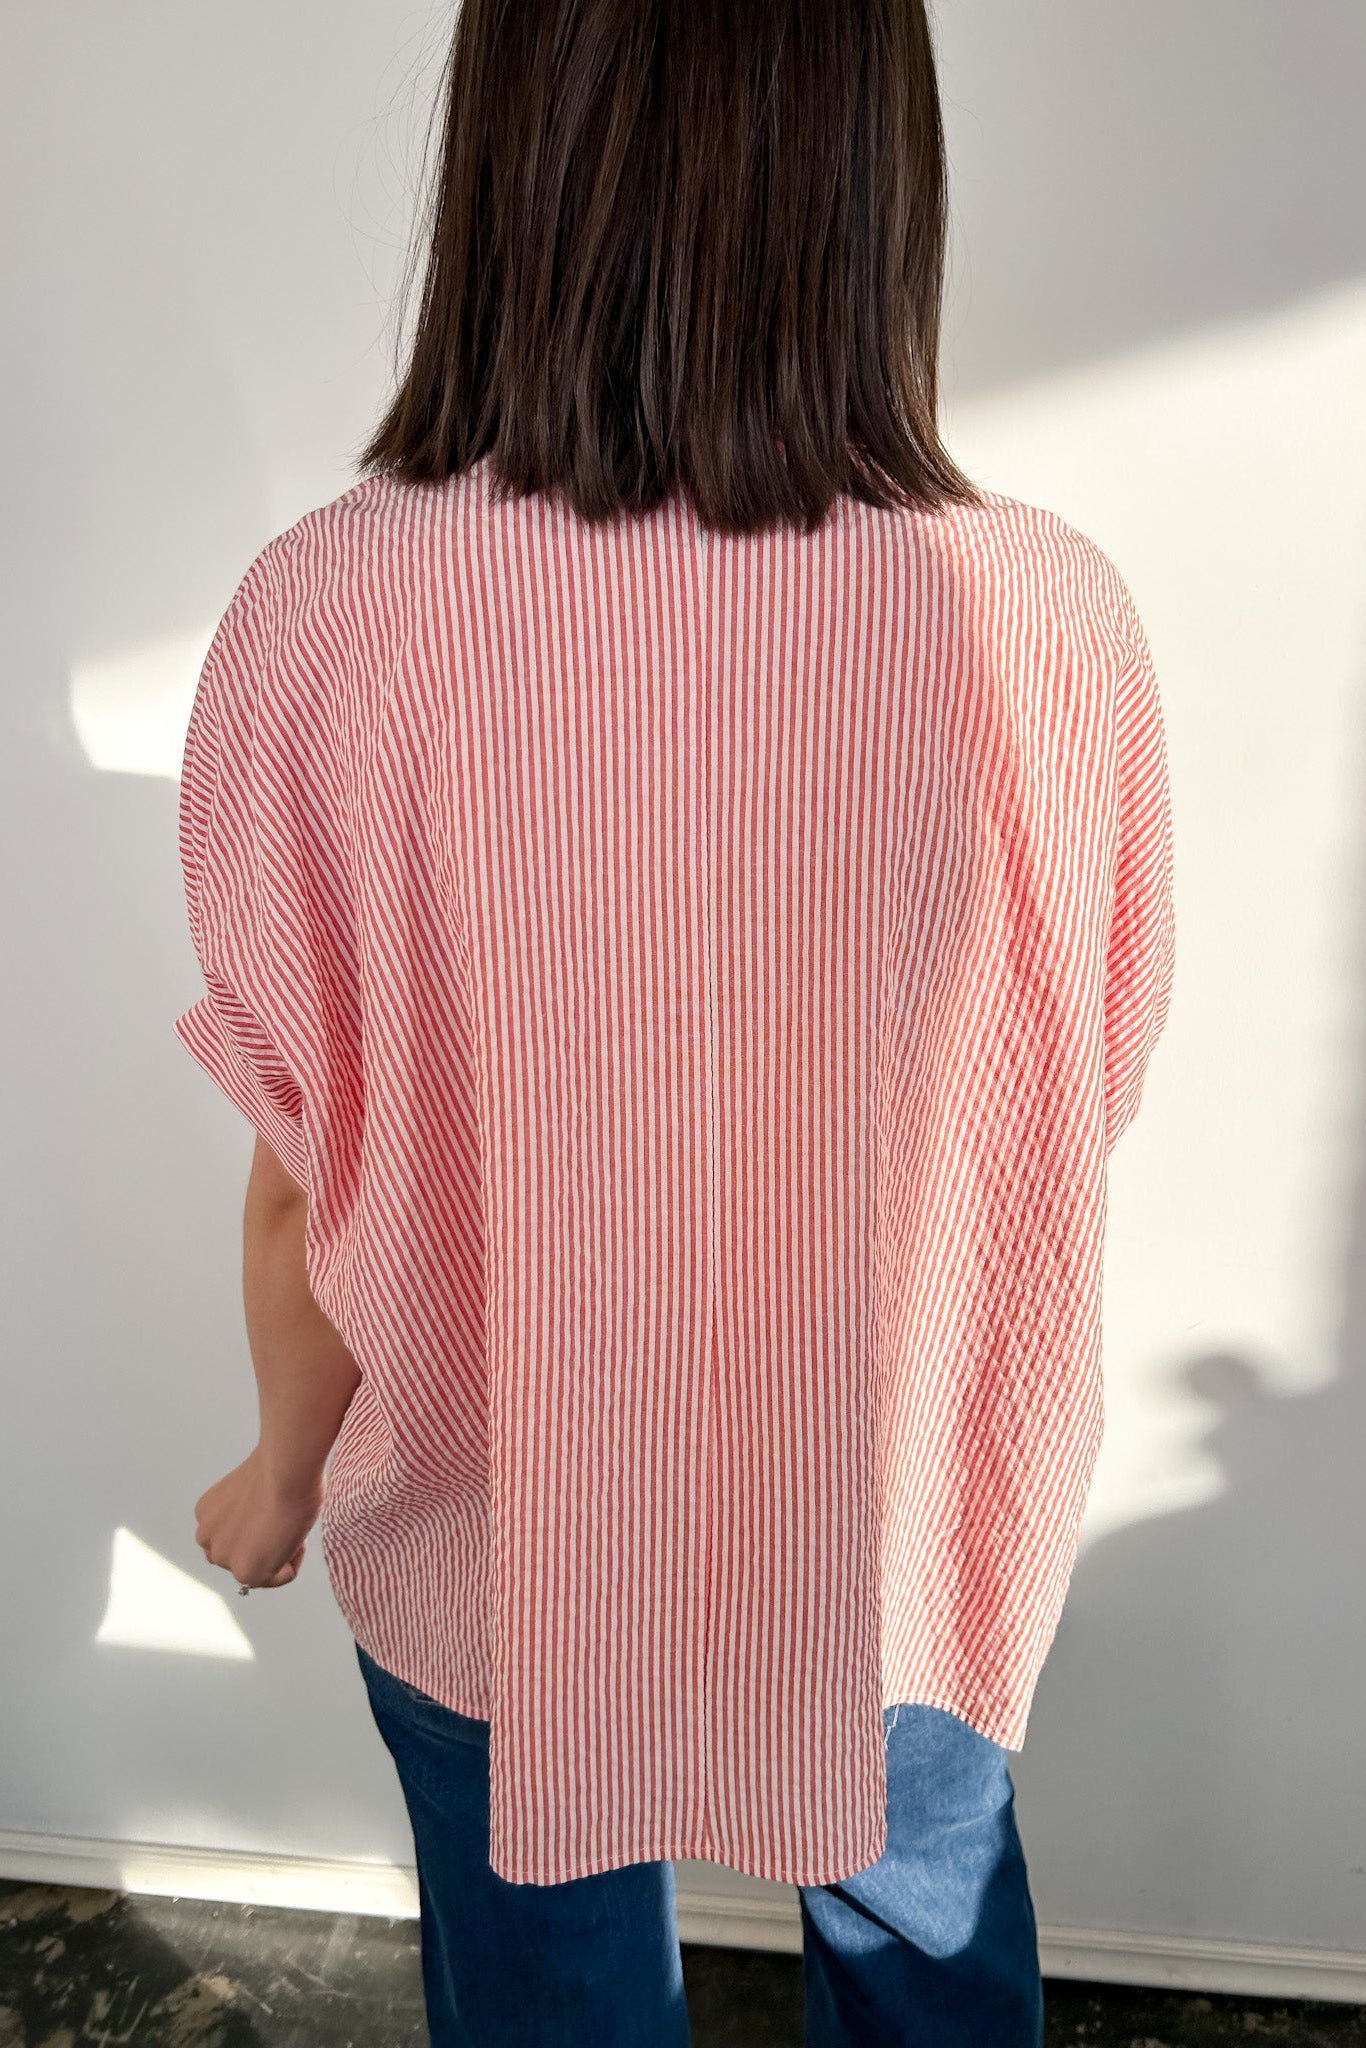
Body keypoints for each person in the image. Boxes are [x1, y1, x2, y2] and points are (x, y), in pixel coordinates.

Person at [179, 1, 1176, 2042]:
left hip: (498, 1529)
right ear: (872, 168)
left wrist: (281, 1470)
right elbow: (1067, 1106)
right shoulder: (1044, 621)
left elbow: (308, 1170)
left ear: (509, 157)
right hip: (898, 1532)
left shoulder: (335, 613)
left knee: (543, 1987)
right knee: (926, 1954)